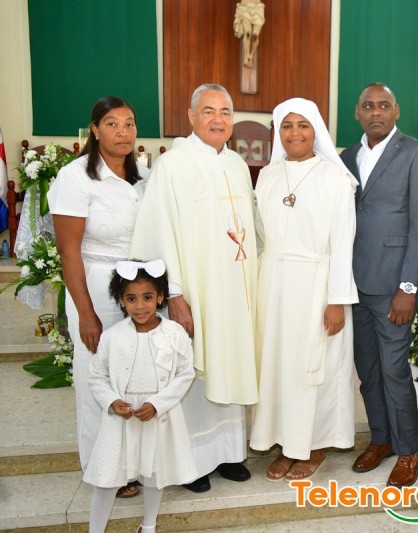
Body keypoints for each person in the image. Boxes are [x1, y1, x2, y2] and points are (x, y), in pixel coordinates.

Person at [130, 83, 258, 492]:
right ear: (190, 116)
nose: (218, 119)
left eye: (225, 112)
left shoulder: (237, 164)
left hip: (237, 290)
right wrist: (175, 293)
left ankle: (229, 453)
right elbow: (161, 232)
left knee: (230, 363)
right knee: (195, 370)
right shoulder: (173, 165)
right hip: (197, 291)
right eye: (208, 111)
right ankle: (194, 462)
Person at [249, 97, 358, 481]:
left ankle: (313, 447)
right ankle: (285, 444)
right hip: (273, 285)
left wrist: (337, 300)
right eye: (287, 126)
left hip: (317, 286)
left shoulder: (335, 179)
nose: (295, 133)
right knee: (277, 367)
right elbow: (259, 237)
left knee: (313, 369)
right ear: (278, 132)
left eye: (303, 125)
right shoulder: (267, 176)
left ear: (316, 131)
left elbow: (343, 243)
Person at [339, 82, 418, 487]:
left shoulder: (417, 152)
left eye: (383, 105)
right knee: (367, 369)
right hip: (353, 284)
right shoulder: (346, 157)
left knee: (394, 369)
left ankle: (410, 449)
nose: (376, 111)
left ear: (396, 111)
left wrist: (409, 288)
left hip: (393, 285)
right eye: (368, 105)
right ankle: (381, 438)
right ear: (357, 113)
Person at [48, 96, 148, 498]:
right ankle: (102, 466)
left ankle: (132, 463)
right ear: (94, 129)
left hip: (138, 288)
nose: (123, 132)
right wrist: (86, 314)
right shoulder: (76, 177)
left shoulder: (143, 175)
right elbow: (68, 251)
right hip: (96, 282)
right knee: (98, 375)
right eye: (112, 124)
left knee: (134, 376)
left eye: (129, 123)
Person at [84, 259, 196, 533]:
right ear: (121, 301)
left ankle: (148, 526)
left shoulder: (174, 333)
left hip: (157, 416)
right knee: (108, 479)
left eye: (147, 297)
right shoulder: (112, 336)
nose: (140, 306)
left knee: (154, 475)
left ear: (160, 297)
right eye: (131, 299)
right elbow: (97, 376)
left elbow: (185, 374)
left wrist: (157, 404)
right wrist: (112, 401)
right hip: (122, 418)